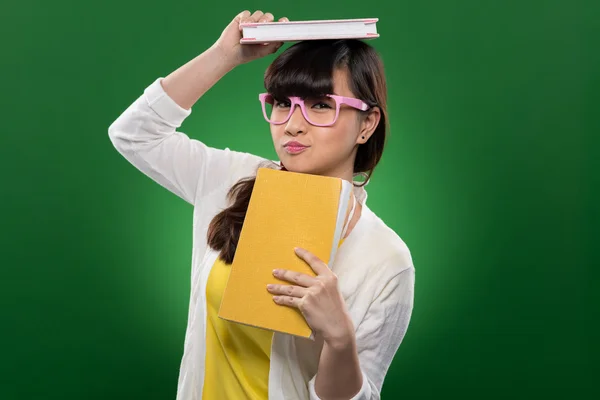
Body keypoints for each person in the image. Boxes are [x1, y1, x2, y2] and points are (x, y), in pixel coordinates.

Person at [108, 9, 415, 400]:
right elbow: (133, 135)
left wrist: (339, 339)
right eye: (283, 103)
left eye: (321, 105)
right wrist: (225, 55)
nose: (292, 124)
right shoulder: (231, 181)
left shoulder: (387, 259)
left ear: (367, 124)